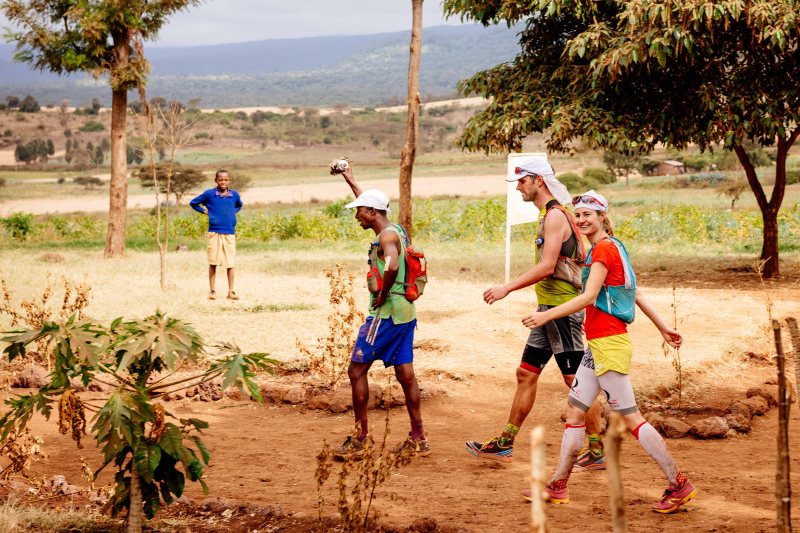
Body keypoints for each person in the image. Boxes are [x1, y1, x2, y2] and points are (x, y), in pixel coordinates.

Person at [521, 190, 697, 513]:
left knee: (632, 420)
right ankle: (558, 485)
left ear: (603, 216)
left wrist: (546, 314)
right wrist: (663, 327)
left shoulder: (602, 249)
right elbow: (636, 292)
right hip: (599, 346)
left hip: (609, 345)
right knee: (574, 412)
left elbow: (588, 297)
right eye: (579, 214)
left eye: (588, 213)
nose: (581, 219)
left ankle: (679, 483)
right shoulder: (614, 247)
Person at [465, 158, 605, 471]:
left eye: (522, 182)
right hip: (548, 311)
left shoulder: (555, 215)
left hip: (561, 312)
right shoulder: (550, 214)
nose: (518, 189)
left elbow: (546, 266)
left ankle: (597, 449)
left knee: (575, 381)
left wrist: (507, 288)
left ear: (538, 181)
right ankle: (506, 442)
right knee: (526, 374)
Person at [332, 165, 429, 460]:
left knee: (356, 370)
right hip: (406, 313)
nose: (357, 216)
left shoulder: (387, 239)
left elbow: (393, 266)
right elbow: (369, 201)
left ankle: (361, 439)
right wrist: (350, 180)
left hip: (386, 314)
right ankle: (418, 438)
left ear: (372, 213)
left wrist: (382, 295)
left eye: (360, 212)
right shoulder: (395, 228)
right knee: (406, 374)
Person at [189, 170, 243, 300]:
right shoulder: (209, 194)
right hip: (214, 232)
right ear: (216, 180)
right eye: (220, 180)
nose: (223, 182)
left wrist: (231, 212)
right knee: (213, 262)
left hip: (229, 232)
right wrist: (204, 211)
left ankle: (231, 292)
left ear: (229, 181)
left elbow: (239, 205)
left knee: (230, 263)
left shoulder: (234, 195)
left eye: (225, 180)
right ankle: (212, 291)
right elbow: (193, 203)